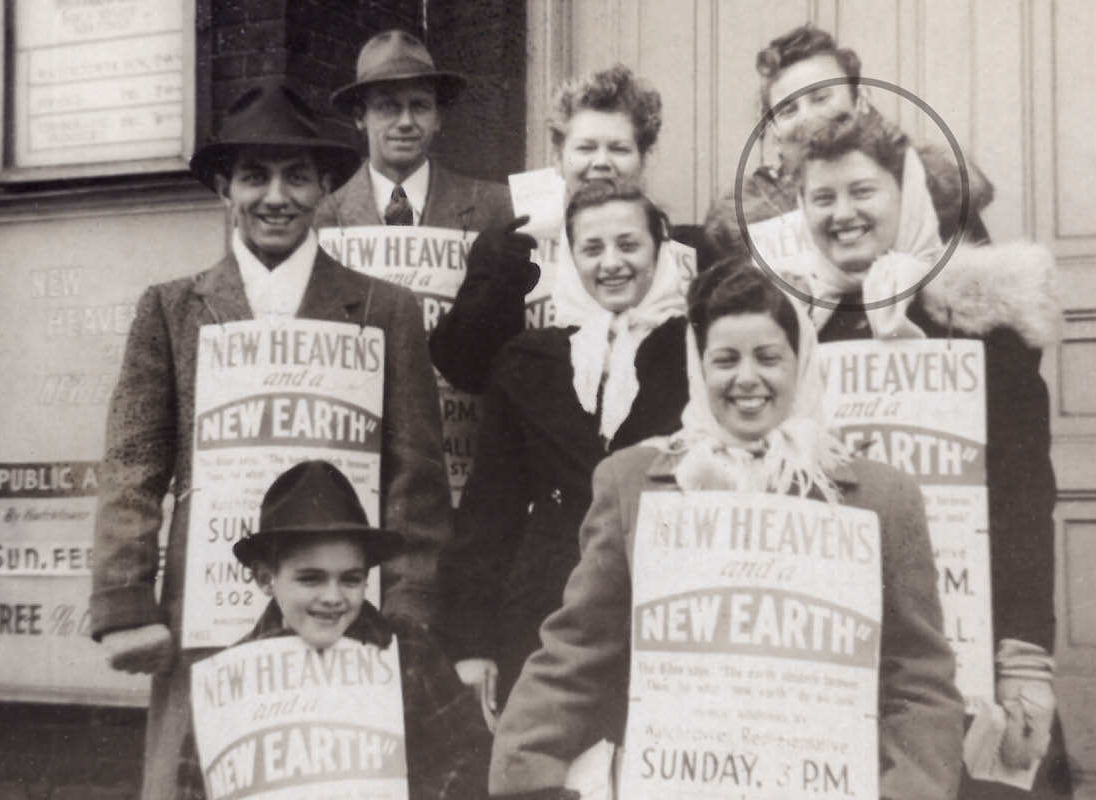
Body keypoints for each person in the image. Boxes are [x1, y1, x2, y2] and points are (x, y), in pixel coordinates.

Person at [89, 81, 451, 799]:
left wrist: (407, 614)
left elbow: (417, 480)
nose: (275, 196)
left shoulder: (385, 308)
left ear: (324, 186)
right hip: (210, 614)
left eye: (295, 176)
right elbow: (133, 463)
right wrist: (126, 602)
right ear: (225, 187)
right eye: (254, 176)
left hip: (345, 613)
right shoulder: (171, 309)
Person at [488, 258, 965, 800]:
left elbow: (918, 681)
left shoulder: (880, 498)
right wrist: (528, 775)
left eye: (768, 358)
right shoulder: (636, 484)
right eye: (725, 360)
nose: (746, 379)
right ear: (698, 367)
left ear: (802, 362)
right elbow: (575, 652)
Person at [776, 109, 1071, 799]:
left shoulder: (978, 323)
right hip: (831, 647)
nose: (842, 214)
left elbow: (1025, 499)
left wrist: (1025, 662)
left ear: (904, 194)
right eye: (822, 198)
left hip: (963, 641)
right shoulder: (785, 325)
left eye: (862, 192)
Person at [436, 182, 690, 725]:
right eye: (592, 249)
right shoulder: (530, 360)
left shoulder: (696, 350)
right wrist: (473, 643)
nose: (612, 263)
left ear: (659, 249)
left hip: (666, 604)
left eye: (629, 245)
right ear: (571, 260)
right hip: (548, 607)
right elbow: (490, 512)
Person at [176, 460, 488, 800]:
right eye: (311, 578)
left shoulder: (408, 651)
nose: (333, 597)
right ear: (266, 578)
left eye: (351, 579)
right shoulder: (227, 682)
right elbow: (192, 789)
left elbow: (470, 759)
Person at [430, 64, 697, 395]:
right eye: (585, 148)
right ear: (558, 157)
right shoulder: (508, 248)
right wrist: (500, 288)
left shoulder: (687, 250)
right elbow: (464, 372)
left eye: (619, 148)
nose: (601, 162)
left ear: (644, 158)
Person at [702, 23, 996, 266]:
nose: (808, 118)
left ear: (861, 100)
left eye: (821, 98)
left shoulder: (934, 189)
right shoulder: (744, 224)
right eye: (788, 110)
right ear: (775, 131)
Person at [314, 29, 514, 233]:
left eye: (420, 106)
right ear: (360, 117)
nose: (406, 122)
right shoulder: (320, 221)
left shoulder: (497, 209)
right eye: (388, 106)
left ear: (438, 117)